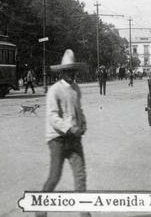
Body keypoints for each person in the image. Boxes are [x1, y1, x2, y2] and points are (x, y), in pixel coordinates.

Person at [40, 49, 88, 202]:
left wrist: (83, 123)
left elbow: (78, 110)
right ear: (61, 73)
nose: (71, 74)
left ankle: (84, 213)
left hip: (74, 138)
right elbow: (52, 117)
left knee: (80, 176)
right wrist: (69, 127)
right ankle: (40, 209)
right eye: (67, 71)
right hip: (57, 138)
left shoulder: (76, 89)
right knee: (55, 176)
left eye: (73, 71)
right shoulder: (54, 90)